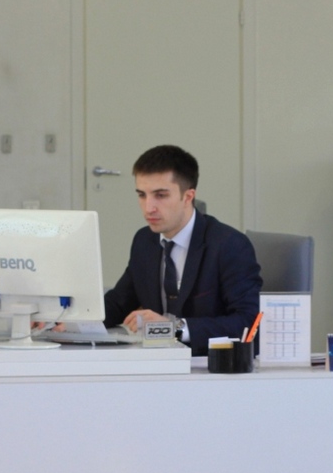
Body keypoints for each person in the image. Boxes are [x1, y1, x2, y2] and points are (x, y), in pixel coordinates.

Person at [103, 145, 262, 355]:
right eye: (142, 195)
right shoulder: (145, 241)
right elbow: (119, 302)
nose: (148, 207)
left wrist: (174, 328)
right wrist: (74, 321)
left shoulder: (229, 245)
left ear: (188, 197)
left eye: (161, 195)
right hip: (158, 359)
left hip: (208, 363)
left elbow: (248, 322)